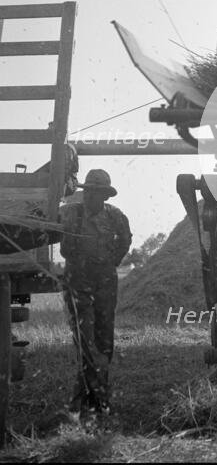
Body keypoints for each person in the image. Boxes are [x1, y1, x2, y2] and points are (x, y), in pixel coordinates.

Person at [59, 169, 132, 416]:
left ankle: (88, 398)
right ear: (85, 192)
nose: (93, 198)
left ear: (105, 196)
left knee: (104, 341)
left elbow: (125, 240)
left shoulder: (116, 217)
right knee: (85, 340)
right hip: (77, 284)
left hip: (105, 284)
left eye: (98, 194)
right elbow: (48, 226)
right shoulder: (69, 213)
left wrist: (111, 262)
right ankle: (97, 398)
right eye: (89, 192)